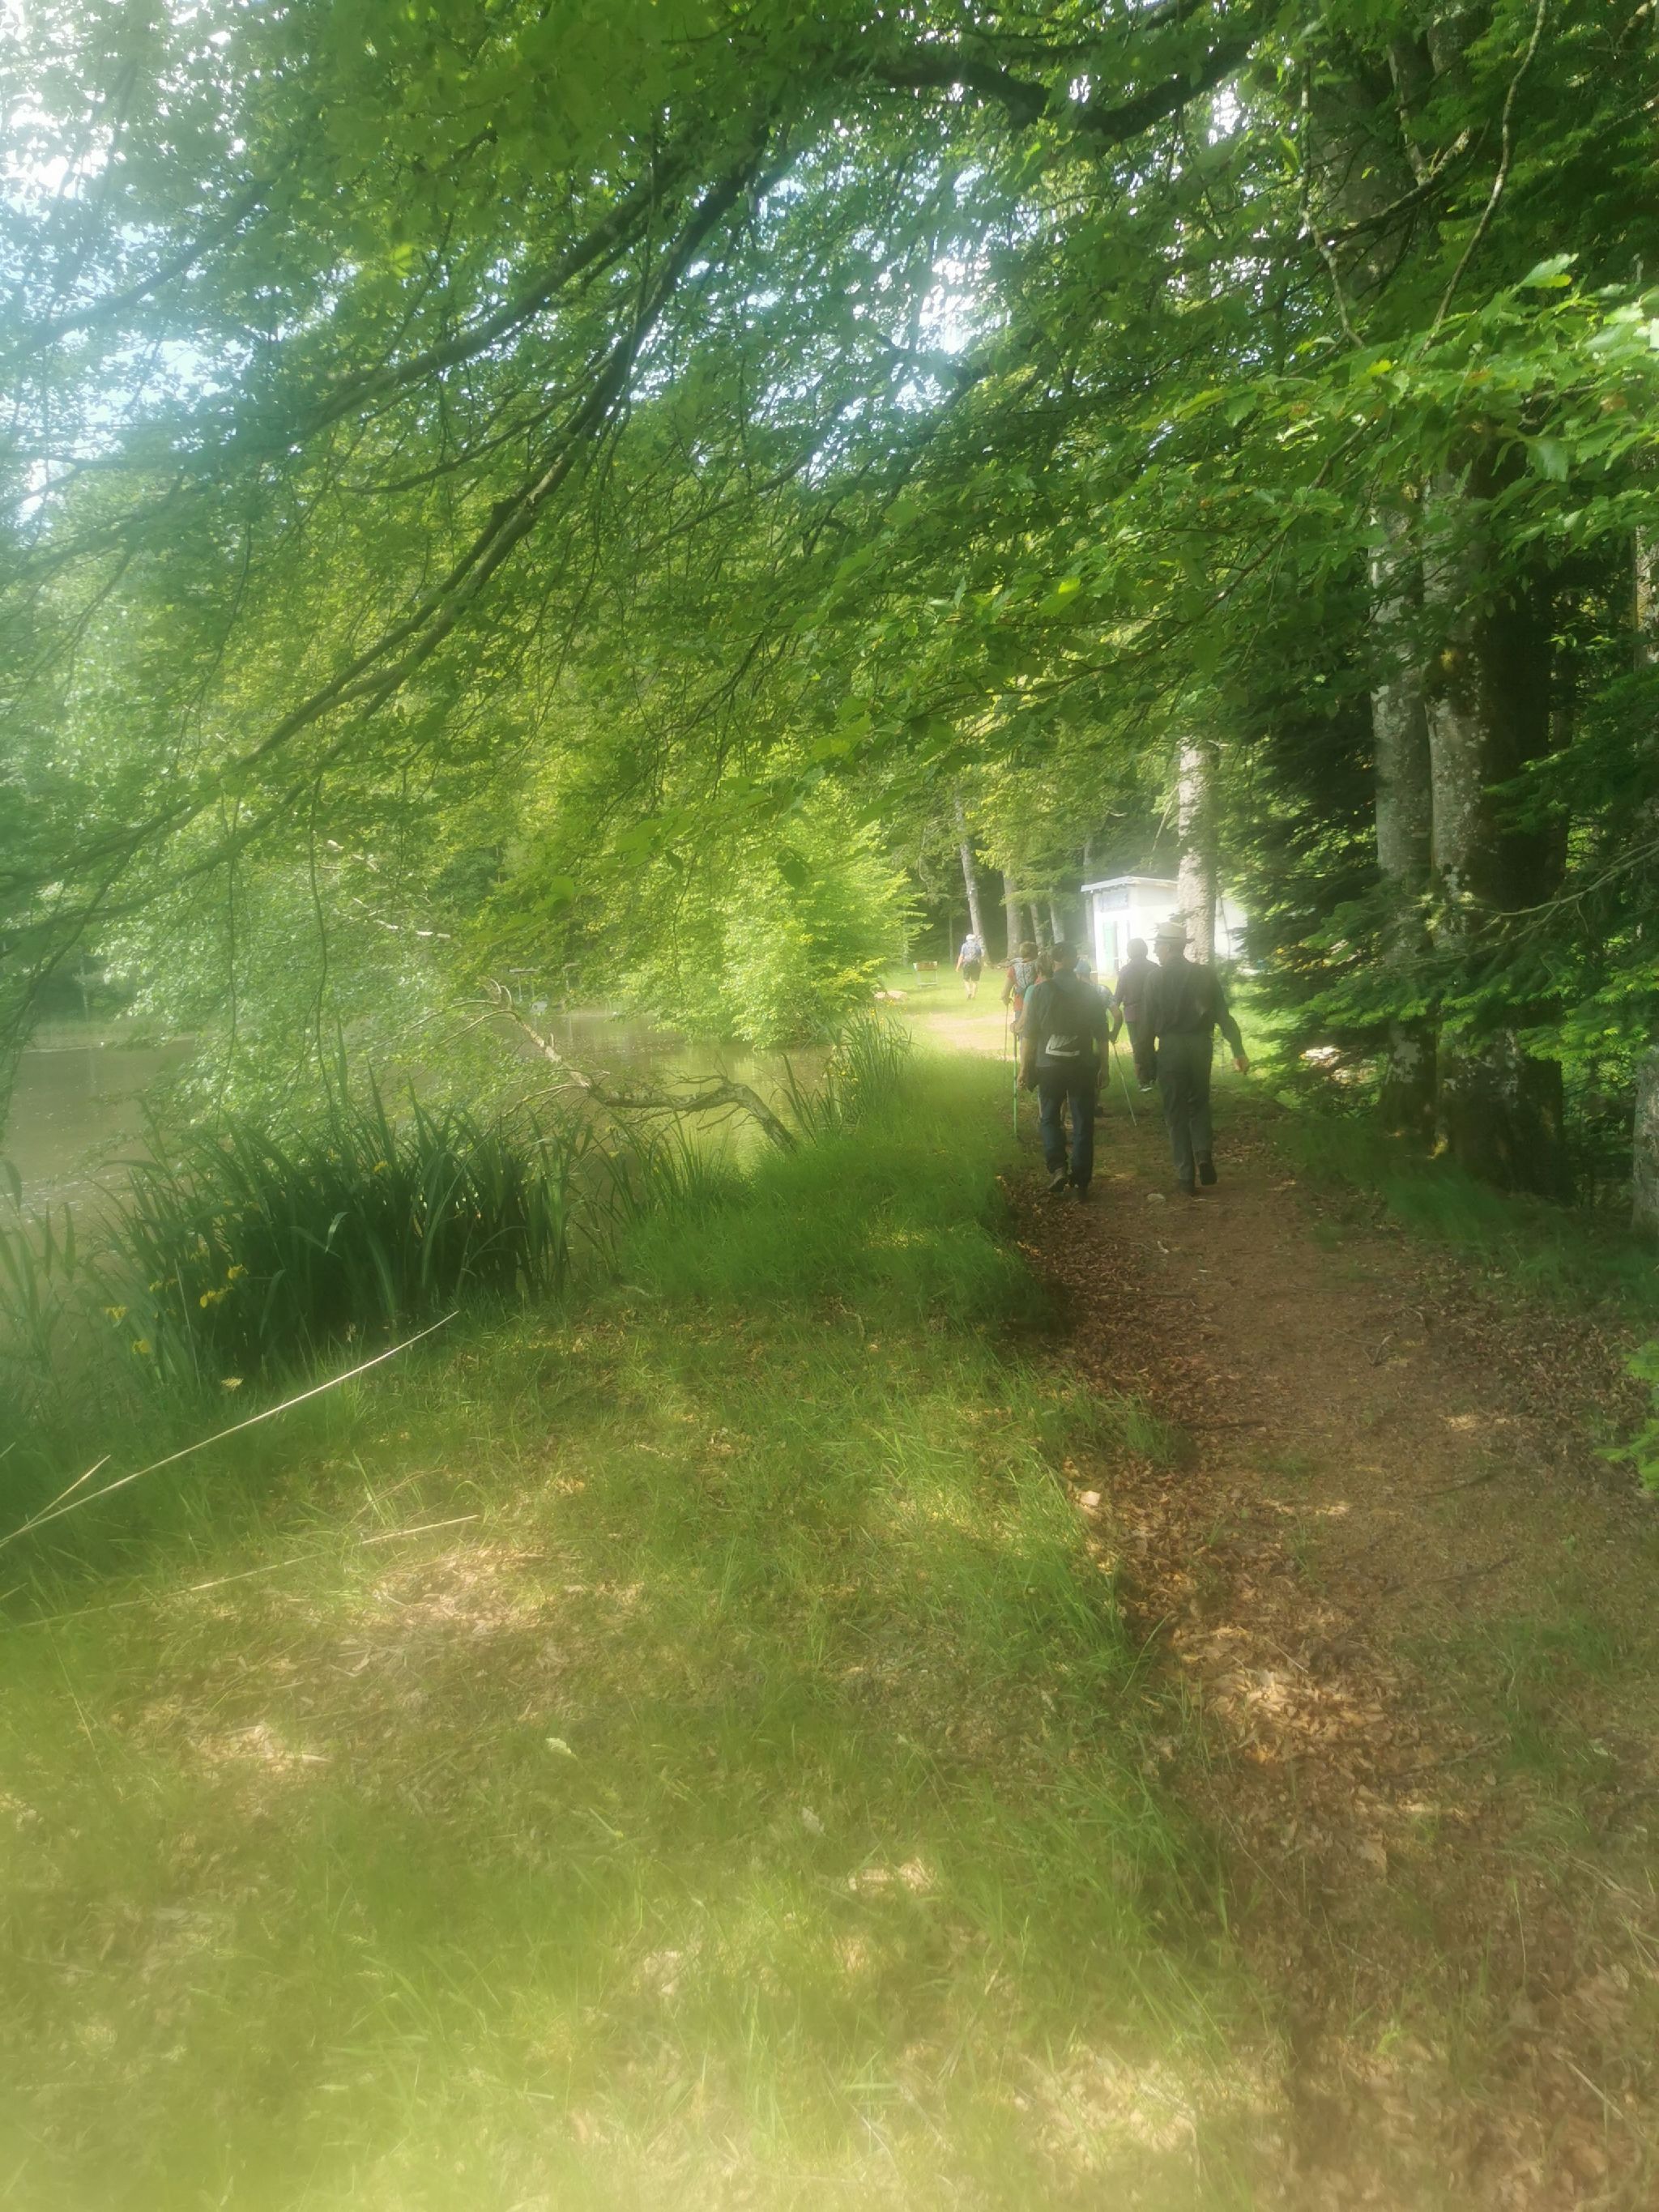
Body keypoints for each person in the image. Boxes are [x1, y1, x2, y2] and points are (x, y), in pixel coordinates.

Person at [1147, 918, 1249, 1198]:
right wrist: (1238, 1050)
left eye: (1157, 945)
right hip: (1201, 1046)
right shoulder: (1205, 975)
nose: (1155, 951)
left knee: (1175, 1112)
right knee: (1199, 1104)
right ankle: (1203, 1154)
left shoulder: (1155, 978)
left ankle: (1185, 1176)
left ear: (1168, 947)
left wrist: (1144, 1060)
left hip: (1170, 1047)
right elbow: (1223, 1015)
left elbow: (1146, 1024)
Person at [1019, 943, 1112, 1201]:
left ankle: (1058, 1167)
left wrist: (1024, 1069)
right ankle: (1081, 1183)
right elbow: (1102, 1034)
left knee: (1049, 1118)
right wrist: (1104, 1067)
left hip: (1049, 1067)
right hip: (1083, 1066)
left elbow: (1029, 1035)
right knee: (1083, 1121)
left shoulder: (1040, 991)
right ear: (1075, 960)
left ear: (1053, 962)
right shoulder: (1089, 992)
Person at [1109, 936, 1158, 1091]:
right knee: (1149, 1043)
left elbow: (1119, 993)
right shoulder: (1154, 967)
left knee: (1137, 1045)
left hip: (1133, 1013)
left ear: (1130, 951)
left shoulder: (1126, 970)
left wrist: (1114, 1005)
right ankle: (1153, 1074)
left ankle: (1143, 1080)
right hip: (1153, 1011)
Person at [1001, 938, 1040, 1019]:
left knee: (1020, 1026)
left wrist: (1006, 1000)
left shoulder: (1013, 968)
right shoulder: (1039, 966)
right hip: (1038, 1005)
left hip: (1020, 1005)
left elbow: (1004, 994)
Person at [956, 927, 984, 999]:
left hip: (966, 964)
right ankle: (973, 996)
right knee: (975, 981)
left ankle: (969, 992)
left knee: (966, 980)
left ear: (967, 939)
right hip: (975, 964)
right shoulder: (977, 946)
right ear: (974, 939)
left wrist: (958, 966)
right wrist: (981, 966)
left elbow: (961, 956)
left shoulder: (964, 946)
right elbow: (980, 958)